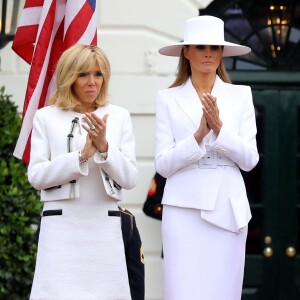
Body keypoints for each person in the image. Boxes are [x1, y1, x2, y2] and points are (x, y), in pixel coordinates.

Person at [28, 44, 144, 299]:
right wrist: (81, 157)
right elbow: (36, 176)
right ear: (69, 77)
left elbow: (130, 178)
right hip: (61, 228)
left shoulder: (119, 116)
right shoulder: (45, 117)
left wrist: (104, 150)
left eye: (98, 74)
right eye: (83, 74)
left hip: (104, 227)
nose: (92, 82)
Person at [155, 15, 259, 300]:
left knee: (223, 291)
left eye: (215, 47)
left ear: (222, 53)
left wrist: (220, 131)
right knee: (182, 290)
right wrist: (198, 136)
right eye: (201, 47)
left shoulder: (240, 95)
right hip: (183, 209)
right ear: (186, 52)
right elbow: (162, 165)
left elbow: (250, 159)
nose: (209, 53)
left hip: (228, 208)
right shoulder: (168, 98)